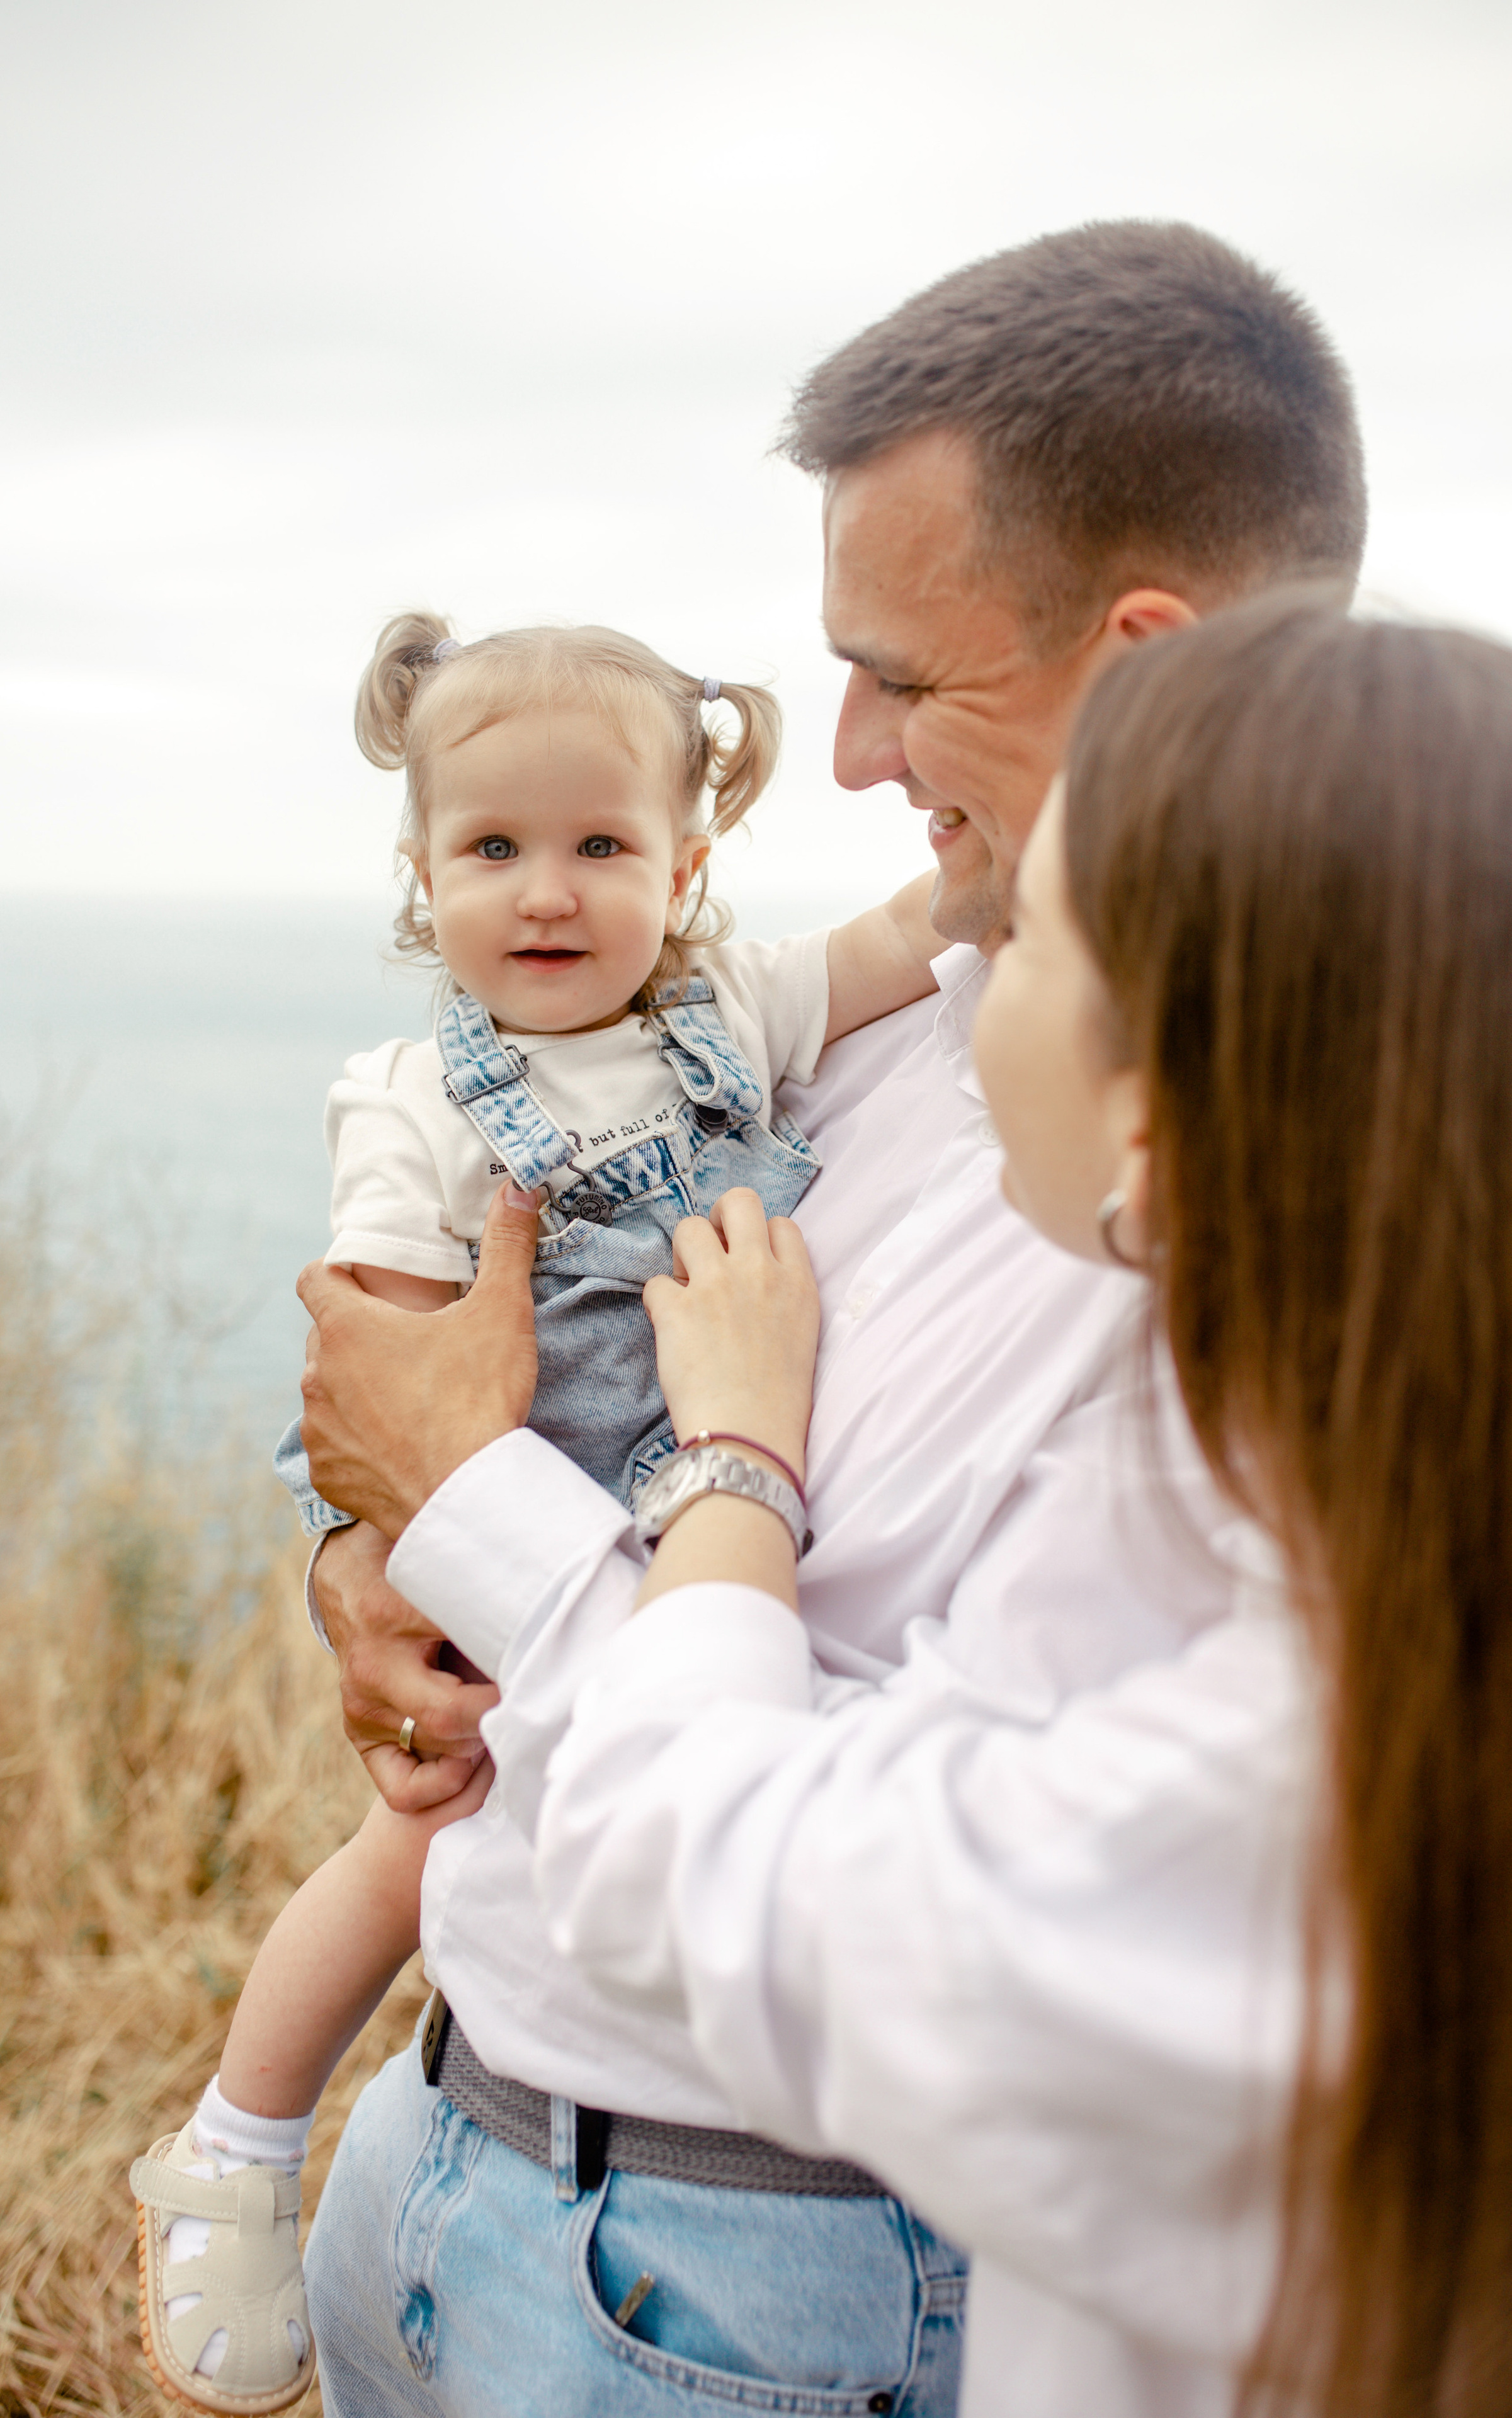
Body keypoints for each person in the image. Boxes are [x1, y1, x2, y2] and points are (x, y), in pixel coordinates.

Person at [291, 224, 1368, 2416]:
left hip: (742, 2283)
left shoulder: (1240, 1235)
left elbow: (880, 1890)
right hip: (453, 2135)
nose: (851, 751)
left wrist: (480, 1497)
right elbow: (493, 1407)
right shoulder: (895, 1020)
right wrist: (376, 1563)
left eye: (898, 672)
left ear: (1144, 660)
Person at [465, 599, 1512, 2417]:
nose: (969, 969)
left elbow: (687, 1856)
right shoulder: (1307, 1510)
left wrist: (724, 1465)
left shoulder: (1262, 1803)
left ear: (1160, 1117)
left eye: (1034, 935)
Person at [127, 617, 945, 2414]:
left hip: (671, 1545)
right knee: (415, 1843)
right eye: (493, 851)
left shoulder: (736, 1014)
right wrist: (389, 1555)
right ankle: (236, 2146)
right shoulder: (418, 1098)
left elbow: (907, 938)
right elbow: (376, 1358)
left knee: (587, 1826)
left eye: (603, 848)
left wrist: (1026, 885)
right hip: (514, 1498)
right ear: (421, 878)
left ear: (689, 866)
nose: (549, 894)